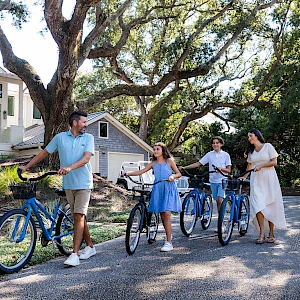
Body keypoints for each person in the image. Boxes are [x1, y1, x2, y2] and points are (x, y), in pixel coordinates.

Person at [19, 110, 96, 266]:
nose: (86, 125)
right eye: (84, 122)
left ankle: (74, 254)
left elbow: (86, 158)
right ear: (75, 123)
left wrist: (69, 168)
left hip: (84, 183)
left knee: (79, 215)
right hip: (68, 184)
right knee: (78, 216)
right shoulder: (60, 138)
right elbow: (44, 153)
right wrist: (26, 167)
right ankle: (90, 247)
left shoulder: (88, 138)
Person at [122, 142, 182, 252]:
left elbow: (179, 173)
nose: (155, 151)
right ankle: (168, 234)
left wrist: (172, 176)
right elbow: (141, 171)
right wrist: (128, 173)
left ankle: (169, 242)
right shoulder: (153, 163)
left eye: (157, 149)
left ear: (163, 150)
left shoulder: (169, 161)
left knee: (167, 214)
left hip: (168, 188)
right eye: (154, 149)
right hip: (158, 188)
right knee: (162, 214)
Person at [241, 129, 286, 244]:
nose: (249, 138)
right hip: (256, 180)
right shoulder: (251, 151)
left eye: (250, 136)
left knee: (270, 205)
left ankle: (271, 233)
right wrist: (244, 177)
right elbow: (250, 165)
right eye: (248, 137)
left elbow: (274, 162)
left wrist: (261, 166)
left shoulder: (268, 147)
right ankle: (261, 233)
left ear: (257, 136)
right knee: (257, 206)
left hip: (269, 178)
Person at [181, 136, 231, 213]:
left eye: (217, 143)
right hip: (213, 181)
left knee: (219, 200)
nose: (215, 145)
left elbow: (228, 170)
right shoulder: (209, 154)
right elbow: (198, 163)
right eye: (213, 143)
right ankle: (220, 217)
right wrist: (185, 167)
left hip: (222, 180)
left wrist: (221, 169)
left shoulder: (225, 155)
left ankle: (222, 221)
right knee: (216, 200)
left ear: (221, 144)